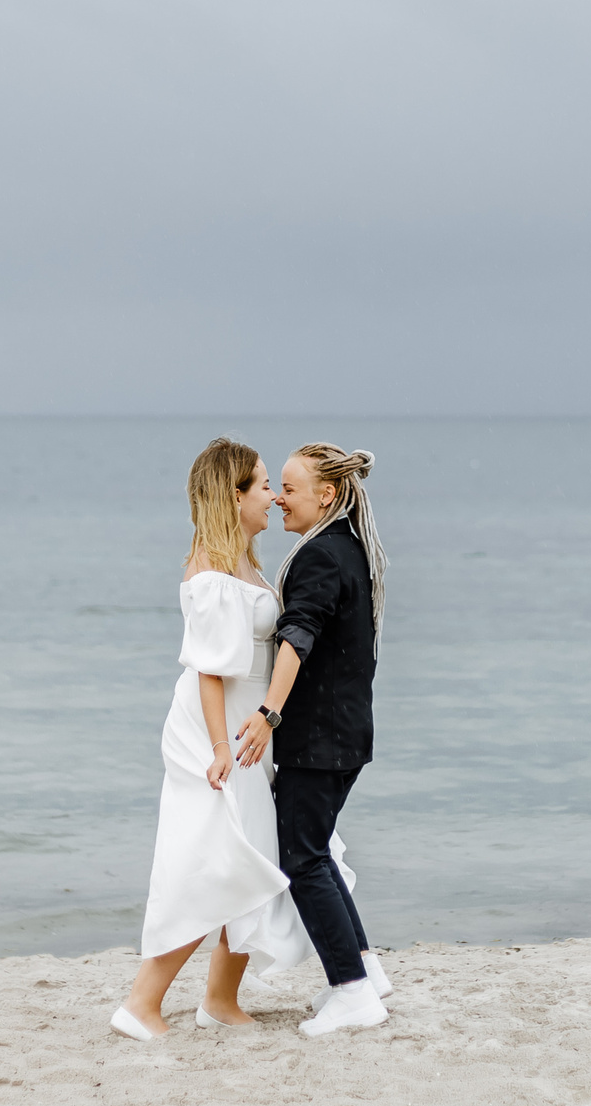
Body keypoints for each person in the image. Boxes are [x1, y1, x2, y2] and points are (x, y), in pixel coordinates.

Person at [112, 438, 328, 1040]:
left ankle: (219, 998)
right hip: (214, 732)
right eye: (262, 485)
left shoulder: (246, 561)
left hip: (247, 729)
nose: (273, 495)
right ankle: (141, 1003)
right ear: (232, 495)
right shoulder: (209, 565)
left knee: (251, 854)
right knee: (214, 860)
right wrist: (219, 748)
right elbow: (209, 669)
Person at [233, 443, 392, 1037]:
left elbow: (298, 637)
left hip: (318, 736)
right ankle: (366, 972)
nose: (279, 498)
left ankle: (351, 992)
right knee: (315, 850)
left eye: (291, 489)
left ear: (326, 494)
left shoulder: (320, 556)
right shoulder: (348, 546)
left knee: (301, 859)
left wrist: (267, 713)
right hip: (345, 731)